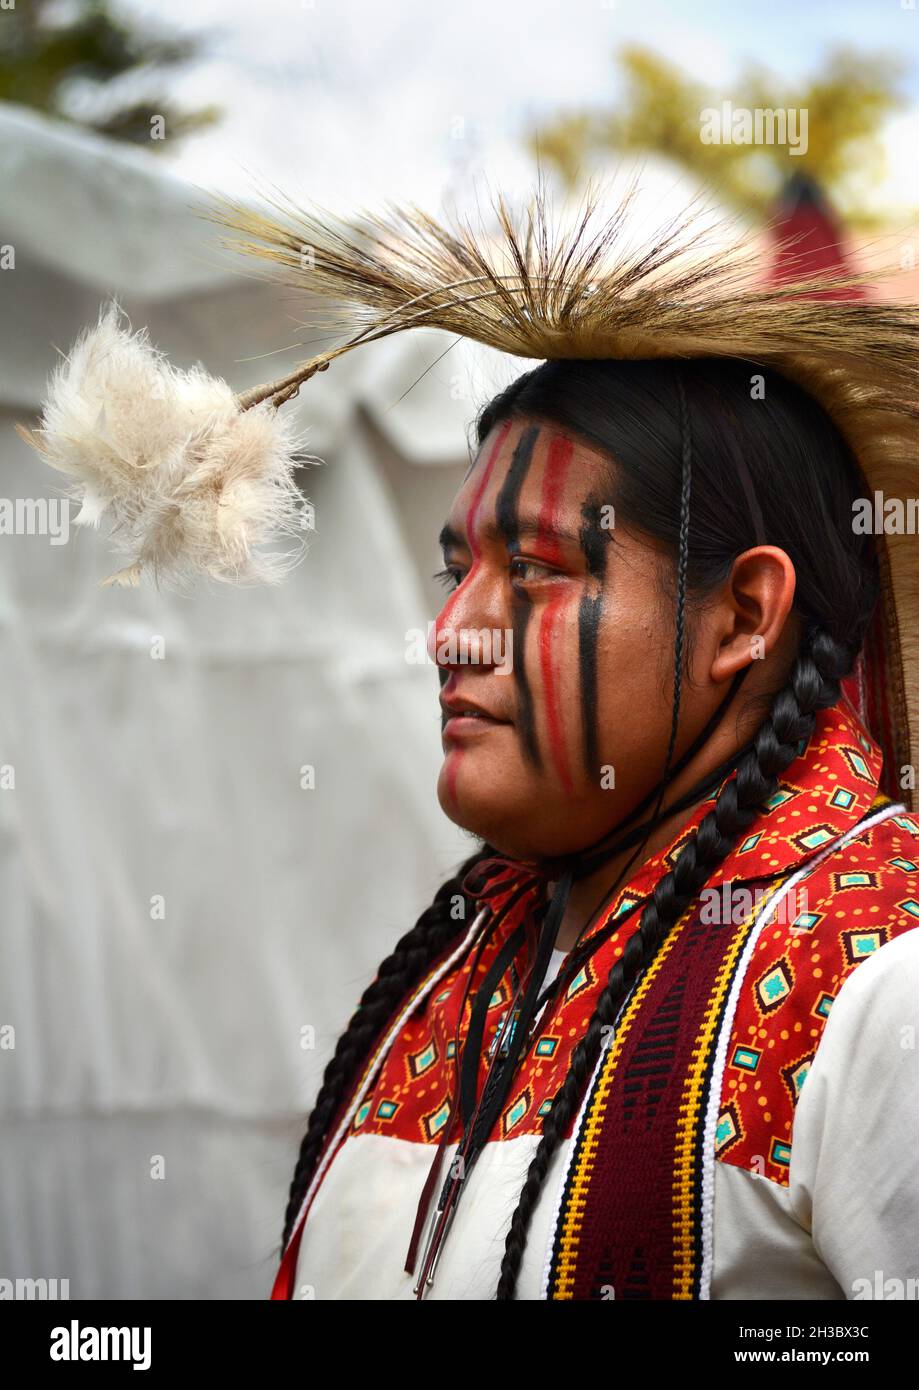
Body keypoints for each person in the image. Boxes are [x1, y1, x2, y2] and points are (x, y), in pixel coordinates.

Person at [270, 354, 919, 1301]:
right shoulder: (463, 959)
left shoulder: (878, 971)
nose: (451, 632)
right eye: (457, 571)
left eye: (532, 569)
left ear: (742, 615)